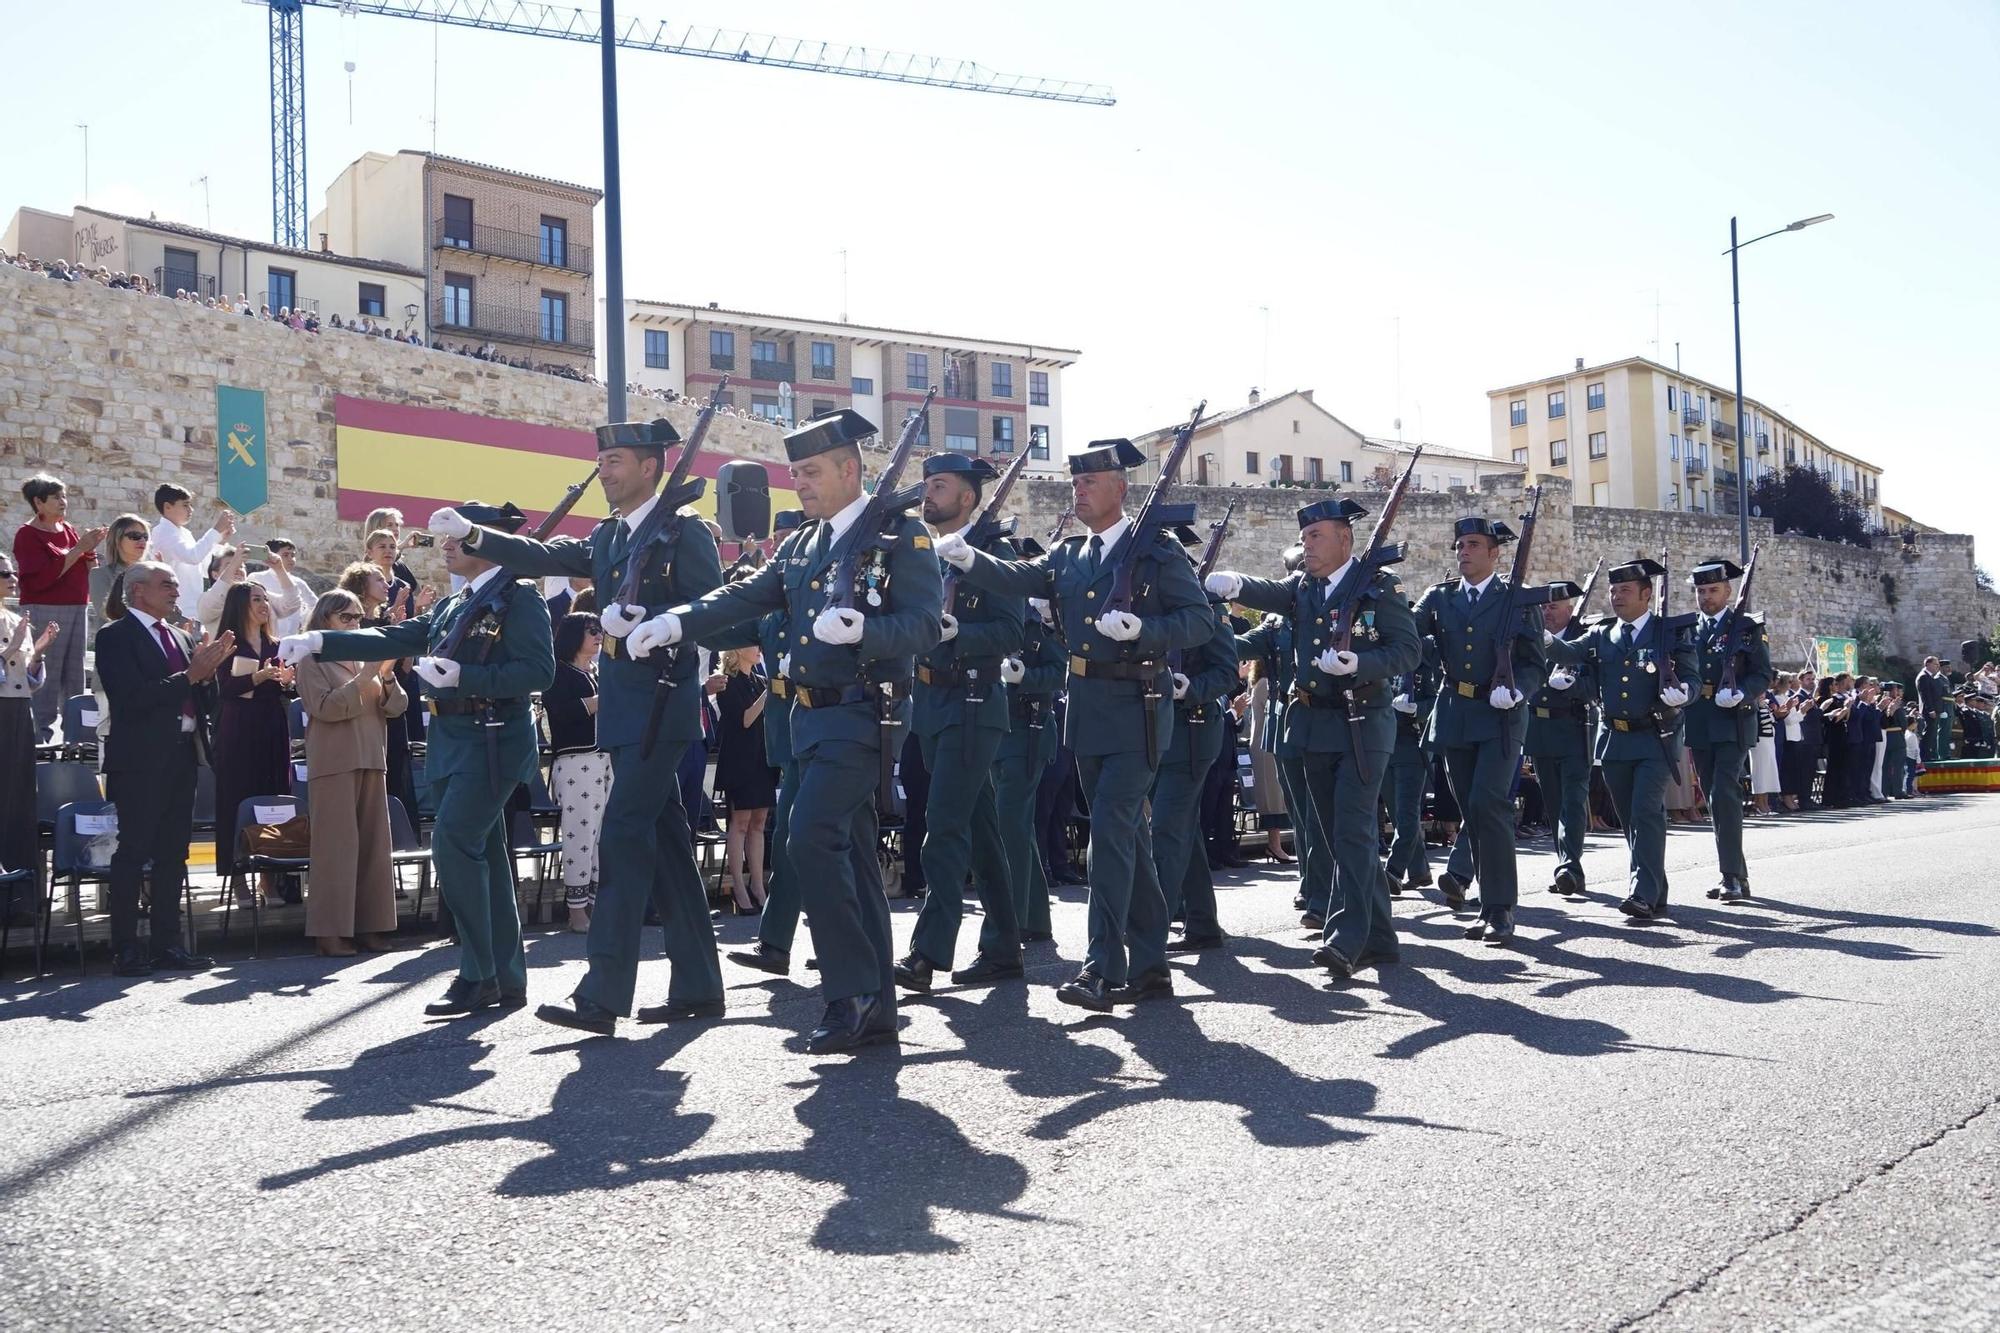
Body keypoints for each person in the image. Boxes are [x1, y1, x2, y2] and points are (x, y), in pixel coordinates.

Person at [647, 408, 941, 1052]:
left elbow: (923, 625)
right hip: (808, 720)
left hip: (864, 714)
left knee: (808, 838)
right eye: (795, 473)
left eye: (810, 472)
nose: (799, 483)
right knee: (853, 856)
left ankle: (851, 993)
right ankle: (877, 1006)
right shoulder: (802, 544)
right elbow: (743, 600)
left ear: (849, 468)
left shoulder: (900, 535)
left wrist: (868, 630)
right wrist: (674, 623)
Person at [448, 421, 726, 1038]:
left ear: (651, 467)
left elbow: (714, 613)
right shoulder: (609, 536)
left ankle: (602, 991)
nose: (604, 470)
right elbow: (546, 555)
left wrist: (653, 618)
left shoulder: (683, 535)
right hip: (626, 714)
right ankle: (700, 986)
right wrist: (475, 535)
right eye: (600, 460)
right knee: (669, 847)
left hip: (661, 706)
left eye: (616, 460)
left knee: (623, 837)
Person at [939, 438, 1213, 1008]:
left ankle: (1103, 967)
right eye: (1075, 482)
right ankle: (1153, 962)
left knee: (1111, 831)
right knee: (1127, 837)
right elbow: (1022, 578)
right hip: (1087, 708)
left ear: (1120, 488)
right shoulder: (1071, 553)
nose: (1079, 490)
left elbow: (1199, 622)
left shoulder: (1157, 552)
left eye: (1090, 482)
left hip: (1138, 707)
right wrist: (968, 559)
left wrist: (1144, 631)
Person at [285, 501, 552, 1017]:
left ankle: (477, 974)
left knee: (453, 844)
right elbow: (396, 635)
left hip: (494, 736)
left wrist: (466, 679)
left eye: (456, 538)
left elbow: (539, 672)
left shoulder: (518, 599)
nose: (445, 546)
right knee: (487, 855)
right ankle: (506, 973)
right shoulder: (459, 604)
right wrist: (320, 640)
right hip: (454, 740)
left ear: (488, 542)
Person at [1208, 496, 1421, 972]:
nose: (1306, 545)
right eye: (1303, 537)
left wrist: (1361, 663)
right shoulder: (1303, 587)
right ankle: (1381, 937)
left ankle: (1345, 939)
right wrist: (1238, 583)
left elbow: (1407, 651)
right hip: (1312, 726)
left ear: (1345, 540)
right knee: (1336, 836)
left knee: (1352, 830)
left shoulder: (1379, 589)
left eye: (1315, 536)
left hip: (1363, 724)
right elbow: (1270, 592)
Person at [897, 454, 1025, 993]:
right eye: (926, 484)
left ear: (968, 498)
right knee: (980, 831)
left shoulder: (993, 554)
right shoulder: (924, 552)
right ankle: (1003, 947)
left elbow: (1011, 632)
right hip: (931, 704)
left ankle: (929, 952)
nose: (928, 494)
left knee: (943, 826)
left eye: (940, 486)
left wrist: (958, 636)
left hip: (974, 703)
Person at [1406, 516, 1547, 942]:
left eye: (1472, 544)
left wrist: (1518, 690)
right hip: (1454, 712)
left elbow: (1534, 663)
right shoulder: (1440, 597)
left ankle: (1501, 908)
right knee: (1472, 809)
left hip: (1501, 716)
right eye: (1459, 545)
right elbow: (1408, 634)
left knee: (1491, 804)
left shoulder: (1517, 600)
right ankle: (1487, 907)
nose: (1463, 552)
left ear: (1494, 552)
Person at [93, 562, 231, 976]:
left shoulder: (182, 636)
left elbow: (206, 701)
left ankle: (167, 944)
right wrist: (192, 675)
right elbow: (131, 699)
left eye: (174, 583)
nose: (175, 590)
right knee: (134, 853)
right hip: (139, 760)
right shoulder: (114, 636)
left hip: (182, 755)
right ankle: (126, 948)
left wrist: (207, 678)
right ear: (137, 591)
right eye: (166, 584)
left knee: (174, 854)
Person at [1544, 559, 1697, 921]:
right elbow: (1569, 652)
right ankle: (1655, 889)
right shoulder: (1602, 633)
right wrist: (1542, 636)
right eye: (1613, 590)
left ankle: (1640, 893)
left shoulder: (1669, 632)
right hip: (1614, 739)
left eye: (1625, 590)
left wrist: (1684, 692)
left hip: (1655, 737)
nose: (1616, 596)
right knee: (1630, 818)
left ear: (1647, 595)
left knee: (1646, 813)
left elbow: (1690, 676)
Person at [293, 590, 406, 956]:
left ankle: (370, 926)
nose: (355, 624)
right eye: (346, 618)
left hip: (373, 757)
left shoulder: (363, 658)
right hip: (334, 762)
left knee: (374, 849)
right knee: (336, 849)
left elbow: (397, 707)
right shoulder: (311, 659)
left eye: (358, 618)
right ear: (324, 619)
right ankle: (329, 932)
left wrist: (386, 678)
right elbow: (325, 708)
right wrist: (366, 677)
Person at [725, 509, 810, 976]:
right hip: (785, 730)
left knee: (816, 838)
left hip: (825, 725)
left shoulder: (816, 588)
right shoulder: (774, 596)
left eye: (788, 537)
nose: (780, 546)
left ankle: (786, 942)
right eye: (777, 538)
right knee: (793, 837)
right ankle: (776, 944)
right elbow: (729, 628)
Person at [1154, 525, 1241, 953]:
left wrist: (1191, 687)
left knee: (1166, 830)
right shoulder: (1150, 604)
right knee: (1180, 832)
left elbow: (1227, 671)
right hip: (1154, 730)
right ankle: (1203, 924)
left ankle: (1148, 933)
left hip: (1193, 730)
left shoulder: (1207, 604)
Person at [1683, 558, 1771, 902]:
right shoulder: (1689, 628)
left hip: (1734, 719)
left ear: (1728, 591)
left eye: (1712, 590)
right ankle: (1736, 874)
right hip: (1700, 719)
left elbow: (1762, 673)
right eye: (1701, 591)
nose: (1706, 597)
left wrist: (1741, 692)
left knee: (1723, 793)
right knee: (1714, 798)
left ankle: (1731, 875)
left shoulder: (1746, 627)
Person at [212, 581, 298, 906]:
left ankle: (270, 879)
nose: (264, 604)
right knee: (236, 800)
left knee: (273, 800)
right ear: (240, 605)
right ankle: (237, 879)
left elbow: (286, 692)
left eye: (265, 598)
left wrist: (289, 684)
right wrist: (256, 678)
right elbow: (223, 690)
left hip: (272, 727)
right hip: (238, 730)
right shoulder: (228, 644)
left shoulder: (277, 645)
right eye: (256, 599)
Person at [995, 572, 1066, 945]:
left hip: (1027, 734)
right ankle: (1036, 919)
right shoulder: (991, 622)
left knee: (1011, 828)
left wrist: (1025, 676)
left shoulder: (1037, 628)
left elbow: (1060, 672)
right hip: (993, 733)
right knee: (1016, 828)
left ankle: (1016, 919)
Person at [14, 474, 103, 742]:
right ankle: (39, 737)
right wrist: (78, 549)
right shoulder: (26, 535)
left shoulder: (68, 529)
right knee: (46, 673)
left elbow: (87, 564)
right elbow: (42, 578)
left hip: (77, 608)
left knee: (75, 673)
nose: (63, 502)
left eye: (64, 496)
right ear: (38, 502)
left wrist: (91, 551)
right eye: (56, 497)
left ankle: (76, 736)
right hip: (44, 608)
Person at [1527, 581, 1594, 896]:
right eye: (1542, 606)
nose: (1546, 611)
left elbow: (1597, 683)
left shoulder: (1586, 636)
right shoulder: (1534, 638)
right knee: (1553, 804)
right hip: (1540, 730)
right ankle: (1567, 865)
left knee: (1572, 801)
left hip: (1573, 727)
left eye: (1553, 606)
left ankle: (1569, 866)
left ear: (1570, 608)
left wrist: (1574, 686)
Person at [544, 611, 608, 934]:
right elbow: (560, 714)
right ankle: (576, 910)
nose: (598, 635)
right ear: (573, 636)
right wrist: (601, 699)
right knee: (579, 836)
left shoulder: (597, 671)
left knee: (598, 838)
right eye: (591, 630)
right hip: (574, 763)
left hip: (602, 762)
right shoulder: (559, 673)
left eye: (599, 630)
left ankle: (593, 904)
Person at [1, 564, 59, 916]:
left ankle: (21, 897)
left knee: (20, 801)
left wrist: (36, 654)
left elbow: (29, 682)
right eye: (4, 573)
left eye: (12, 573)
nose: (12, 579)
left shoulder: (12, 618)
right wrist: (10, 654)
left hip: (19, 713)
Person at [711, 646, 776, 916]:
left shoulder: (759, 680)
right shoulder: (728, 682)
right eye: (753, 645)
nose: (760, 650)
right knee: (740, 823)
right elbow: (745, 719)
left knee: (759, 823)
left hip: (762, 758)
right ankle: (738, 887)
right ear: (737, 650)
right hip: (739, 760)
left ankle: (758, 885)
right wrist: (768, 694)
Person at [148, 483, 234, 622]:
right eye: (185, 505)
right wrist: (216, 530)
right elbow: (192, 557)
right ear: (168, 507)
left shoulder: (184, 533)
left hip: (192, 610)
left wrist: (219, 541)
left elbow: (202, 567)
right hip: (176, 611)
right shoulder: (162, 532)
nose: (191, 510)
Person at [199, 543, 302, 638]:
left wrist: (279, 569)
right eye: (229, 565)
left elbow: (291, 604)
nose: (238, 569)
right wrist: (234, 563)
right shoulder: (206, 599)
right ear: (215, 574)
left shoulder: (261, 596)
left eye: (242, 566)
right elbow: (216, 599)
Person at [90, 513, 153, 622]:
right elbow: (107, 614)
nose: (142, 541)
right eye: (135, 536)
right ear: (117, 539)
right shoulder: (100, 574)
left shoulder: (153, 574)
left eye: (145, 537)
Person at [250, 538, 311, 638]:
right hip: (265, 637)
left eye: (293, 555)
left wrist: (302, 620)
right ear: (271, 555)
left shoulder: (299, 583)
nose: (291, 559)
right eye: (285, 555)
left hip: (291, 639)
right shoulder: (256, 578)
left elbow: (315, 607)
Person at [1916, 656, 1951, 763]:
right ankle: (1925, 756)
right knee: (1928, 733)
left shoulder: (1930, 676)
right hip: (1930, 711)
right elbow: (1925, 695)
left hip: (1935, 710)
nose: (1938, 667)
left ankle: (1929, 754)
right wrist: (1931, 710)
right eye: (1935, 664)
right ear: (1927, 664)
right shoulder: (1923, 676)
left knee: (1932, 733)